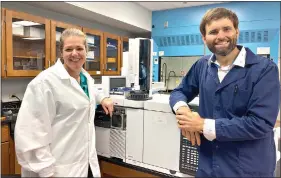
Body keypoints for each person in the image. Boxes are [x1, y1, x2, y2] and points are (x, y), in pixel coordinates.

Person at [169, 7, 280, 177]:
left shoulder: (265, 69)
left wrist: (201, 125)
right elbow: (179, 92)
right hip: (209, 166)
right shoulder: (202, 66)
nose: (221, 36)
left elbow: (261, 123)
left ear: (237, 31)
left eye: (226, 29)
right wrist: (183, 112)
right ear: (204, 38)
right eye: (213, 31)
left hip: (248, 168)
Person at [15, 28, 114, 177]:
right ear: (61, 53)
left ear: (86, 51)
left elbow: (90, 91)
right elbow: (31, 136)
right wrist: (47, 172)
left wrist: (103, 98)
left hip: (84, 164)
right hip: (57, 169)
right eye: (69, 49)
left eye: (79, 48)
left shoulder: (84, 77)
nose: (75, 53)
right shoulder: (44, 83)